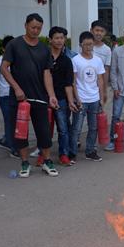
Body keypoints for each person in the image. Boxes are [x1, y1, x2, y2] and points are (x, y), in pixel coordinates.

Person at [0, 13, 59, 178]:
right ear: (25, 25)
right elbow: (4, 68)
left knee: (44, 132)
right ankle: (25, 163)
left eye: (39, 28)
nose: (35, 31)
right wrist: (17, 88)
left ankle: (47, 161)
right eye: (33, 27)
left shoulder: (44, 49)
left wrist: (51, 95)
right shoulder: (14, 44)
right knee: (21, 133)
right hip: (20, 99)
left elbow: (47, 73)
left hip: (40, 97)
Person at [71, 32, 107, 162]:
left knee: (93, 127)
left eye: (90, 44)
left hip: (94, 99)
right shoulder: (75, 60)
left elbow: (100, 80)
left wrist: (101, 97)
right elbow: (73, 81)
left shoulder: (97, 60)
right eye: (86, 44)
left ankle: (90, 151)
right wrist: (77, 98)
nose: (88, 47)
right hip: (81, 99)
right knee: (77, 128)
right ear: (80, 45)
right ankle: (72, 152)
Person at [48, 26, 78, 165]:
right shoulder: (44, 58)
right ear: (50, 40)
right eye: (56, 38)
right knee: (44, 128)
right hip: (45, 98)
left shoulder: (67, 61)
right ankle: (44, 155)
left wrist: (71, 101)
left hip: (61, 100)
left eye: (62, 38)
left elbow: (68, 84)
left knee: (63, 129)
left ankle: (64, 154)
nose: (60, 41)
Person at [0, 35, 18, 158]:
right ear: (3, 49)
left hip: (17, 95)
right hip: (5, 96)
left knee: (16, 121)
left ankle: (7, 140)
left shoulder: (17, 59)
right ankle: (13, 147)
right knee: (9, 121)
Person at [90, 20, 112, 90]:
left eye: (102, 31)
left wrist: (104, 89)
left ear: (105, 33)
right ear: (91, 30)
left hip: (99, 86)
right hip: (83, 87)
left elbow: (106, 70)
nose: (99, 33)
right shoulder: (83, 46)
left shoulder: (107, 50)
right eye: (97, 30)